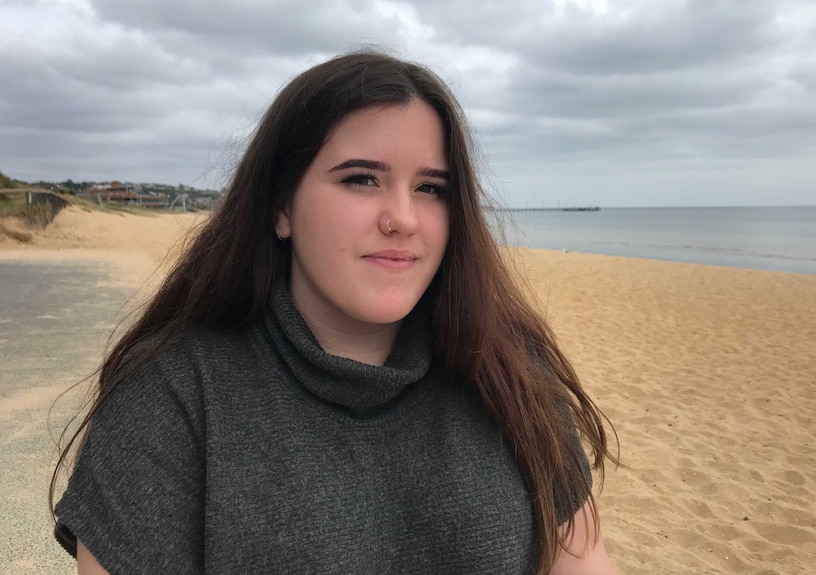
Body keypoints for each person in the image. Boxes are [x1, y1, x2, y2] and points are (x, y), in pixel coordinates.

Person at [51, 50, 617, 575]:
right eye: (362, 179)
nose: (404, 218)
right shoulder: (174, 398)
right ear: (281, 208)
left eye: (430, 188)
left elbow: (581, 556)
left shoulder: (508, 368)